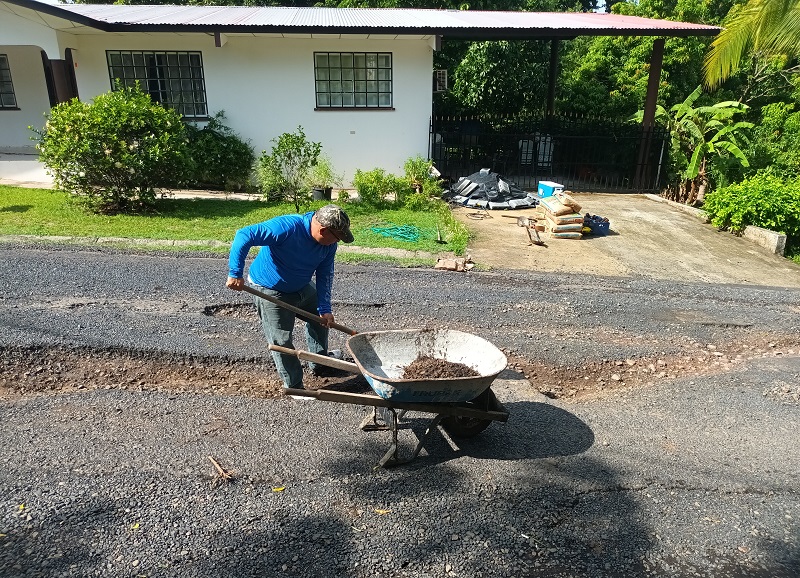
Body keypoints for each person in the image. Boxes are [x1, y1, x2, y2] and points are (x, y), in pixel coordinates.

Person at [226, 204, 354, 396]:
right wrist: (235, 273)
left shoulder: (329, 245)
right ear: (323, 230)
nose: (337, 243)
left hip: (301, 286)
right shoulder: (286, 227)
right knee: (281, 340)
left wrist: (325, 307)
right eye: (336, 238)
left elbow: (325, 273)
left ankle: (320, 364)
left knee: (321, 320)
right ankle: (294, 387)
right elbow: (244, 234)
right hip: (269, 289)